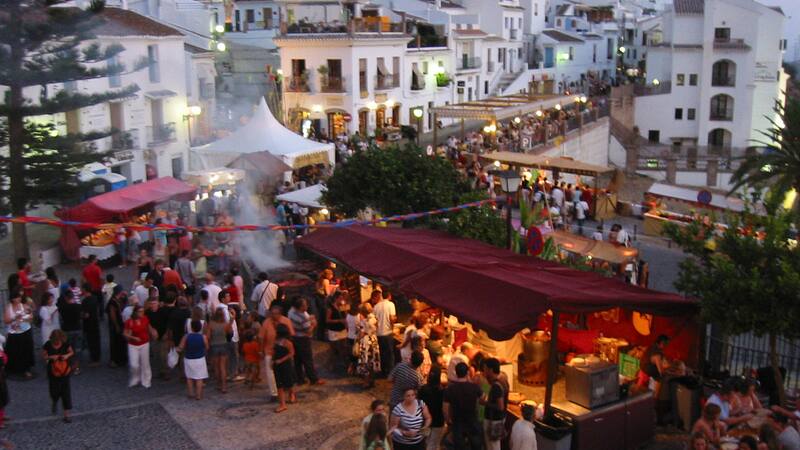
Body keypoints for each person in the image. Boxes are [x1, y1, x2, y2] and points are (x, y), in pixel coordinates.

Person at [444, 362, 483, 449]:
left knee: (459, 447)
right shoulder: (474, 387)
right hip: (472, 421)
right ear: (467, 372)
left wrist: (448, 420)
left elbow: (445, 408)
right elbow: (483, 399)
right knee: (476, 446)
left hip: (457, 422)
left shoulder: (450, 389)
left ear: (456, 372)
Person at [288, 297, 324, 385]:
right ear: (300, 307)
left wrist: (309, 318)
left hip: (295, 338)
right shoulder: (302, 316)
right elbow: (308, 330)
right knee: (308, 359)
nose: (307, 306)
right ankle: (313, 379)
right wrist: (314, 323)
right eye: (304, 305)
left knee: (298, 360)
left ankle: (300, 378)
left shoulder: (291, 311)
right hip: (303, 339)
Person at [42, 329, 74, 422]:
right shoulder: (48, 344)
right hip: (53, 371)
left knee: (66, 392)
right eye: (55, 341)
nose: (57, 343)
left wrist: (66, 356)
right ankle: (55, 400)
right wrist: (51, 357)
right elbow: (44, 356)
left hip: (64, 371)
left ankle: (66, 415)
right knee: (54, 390)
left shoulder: (65, 343)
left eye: (58, 341)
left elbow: (71, 352)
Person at [4, 287, 35, 378]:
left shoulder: (24, 305)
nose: (19, 299)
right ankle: (12, 368)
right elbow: (6, 320)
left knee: (25, 351)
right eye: (17, 297)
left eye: (19, 297)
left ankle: (26, 369)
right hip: (14, 333)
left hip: (24, 331)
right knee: (13, 351)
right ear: (12, 298)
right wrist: (15, 318)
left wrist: (25, 318)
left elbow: (31, 316)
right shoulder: (8, 307)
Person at [124, 305, 156, 388]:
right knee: (134, 364)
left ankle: (146, 381)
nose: (142, 313)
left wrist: (153, 333)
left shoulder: (145, 318)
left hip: (144, 343)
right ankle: (135, 379)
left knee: (145, 363)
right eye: (140, 311)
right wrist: (133, 337)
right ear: (135, 312)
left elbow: (149, 328)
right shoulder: (129, 321)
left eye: (143, 311)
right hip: (133, 345)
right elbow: (125, 334)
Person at [178, 320, 208, 400]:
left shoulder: (186, 336)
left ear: (191, 327)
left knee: (189, 377)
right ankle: (198, 395)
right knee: (199, 377)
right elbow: (207, 347)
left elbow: (180, 347)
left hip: (189, 359)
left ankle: (191, 393)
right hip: (200, 359)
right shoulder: (203, 337)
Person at [482, 358, 507, 450]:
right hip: (500, 418)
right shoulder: (503, 378)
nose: (484, 371)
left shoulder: (496, 386)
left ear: (491, 370)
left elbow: (500, 406)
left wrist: (485, 403)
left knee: (493, 446)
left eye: (485, 368)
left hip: (494, 420)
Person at [418, 367, 445, 450]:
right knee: (434, 444)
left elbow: (419, 404)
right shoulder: (442, 391)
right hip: (438, 421)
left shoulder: (423, 389)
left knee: (425, 443)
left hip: (424, 420)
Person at [207, 307, 232, 393]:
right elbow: (230, 333)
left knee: (216, 367)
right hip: (224, 345)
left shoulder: (211, 324)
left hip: (214, 346)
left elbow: (208, 336)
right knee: (223, 367)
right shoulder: (225, 324)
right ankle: (224, 386)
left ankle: (218, 384)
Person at [58, 289, 83, 375]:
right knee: (77, 349)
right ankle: (76, 367)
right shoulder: (78, 306)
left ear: (65, 298)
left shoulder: (62, 308)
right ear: (72, 297)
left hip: (66, 330)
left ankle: (67, 366)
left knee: (67, 349)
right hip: (77, 329)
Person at [273, 323, 296, 413]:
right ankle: (282, 404)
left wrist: (281, 360)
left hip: (286, 365)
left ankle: (291, 394)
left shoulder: (287, 343)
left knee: (288, 382)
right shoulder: (275, 341)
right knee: (279, 385)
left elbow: (291, 353)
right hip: (277, 365)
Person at [356, 303, 381, 389]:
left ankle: (366, 382)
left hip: (366, 342)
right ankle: (372, 380)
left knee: (366, 361)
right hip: (373, 340)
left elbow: (361, 334)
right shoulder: (374, 318)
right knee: (373, 360)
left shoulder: (364, 321)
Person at [374, 290, 397, 377]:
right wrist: (393, 327)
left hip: (379, 333)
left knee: (382, 353)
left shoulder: (376, 306)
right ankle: (391, 373)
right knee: (390, 354)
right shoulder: (391, 304)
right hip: (388, 332)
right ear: (389, 295)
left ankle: (383, 371)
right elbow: (392, 318)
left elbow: (375, 321)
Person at [325, 292, 348, 374]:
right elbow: (327, 320)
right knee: (334, 349)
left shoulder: (341, 307)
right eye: (340, 298)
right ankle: (332, 365)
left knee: (344, 347)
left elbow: (345, 317)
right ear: (336, 298)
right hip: (334, 331)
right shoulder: (330, 308)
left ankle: (345, 364)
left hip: (342, 330)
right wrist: (338, 320)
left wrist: (345, 310)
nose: (342, 300)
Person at [106, 287, 128, 368]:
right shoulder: (112, 302)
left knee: (121, 342)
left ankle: (121, 359)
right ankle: (115, 360)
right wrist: (116, 325)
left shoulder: (120, 299)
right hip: (116, 325)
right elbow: (113, 315)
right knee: (115, 342)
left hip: (120, 324)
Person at [80, 284, 101, 367]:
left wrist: (80, 316)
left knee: (91, 342)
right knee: (96, 341)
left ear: (85, 290)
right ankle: (97, 358)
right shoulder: (95, 298)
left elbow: (86, 315)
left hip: (88, 324)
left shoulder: (85, 301)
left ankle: (94, 360)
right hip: (95, 322)